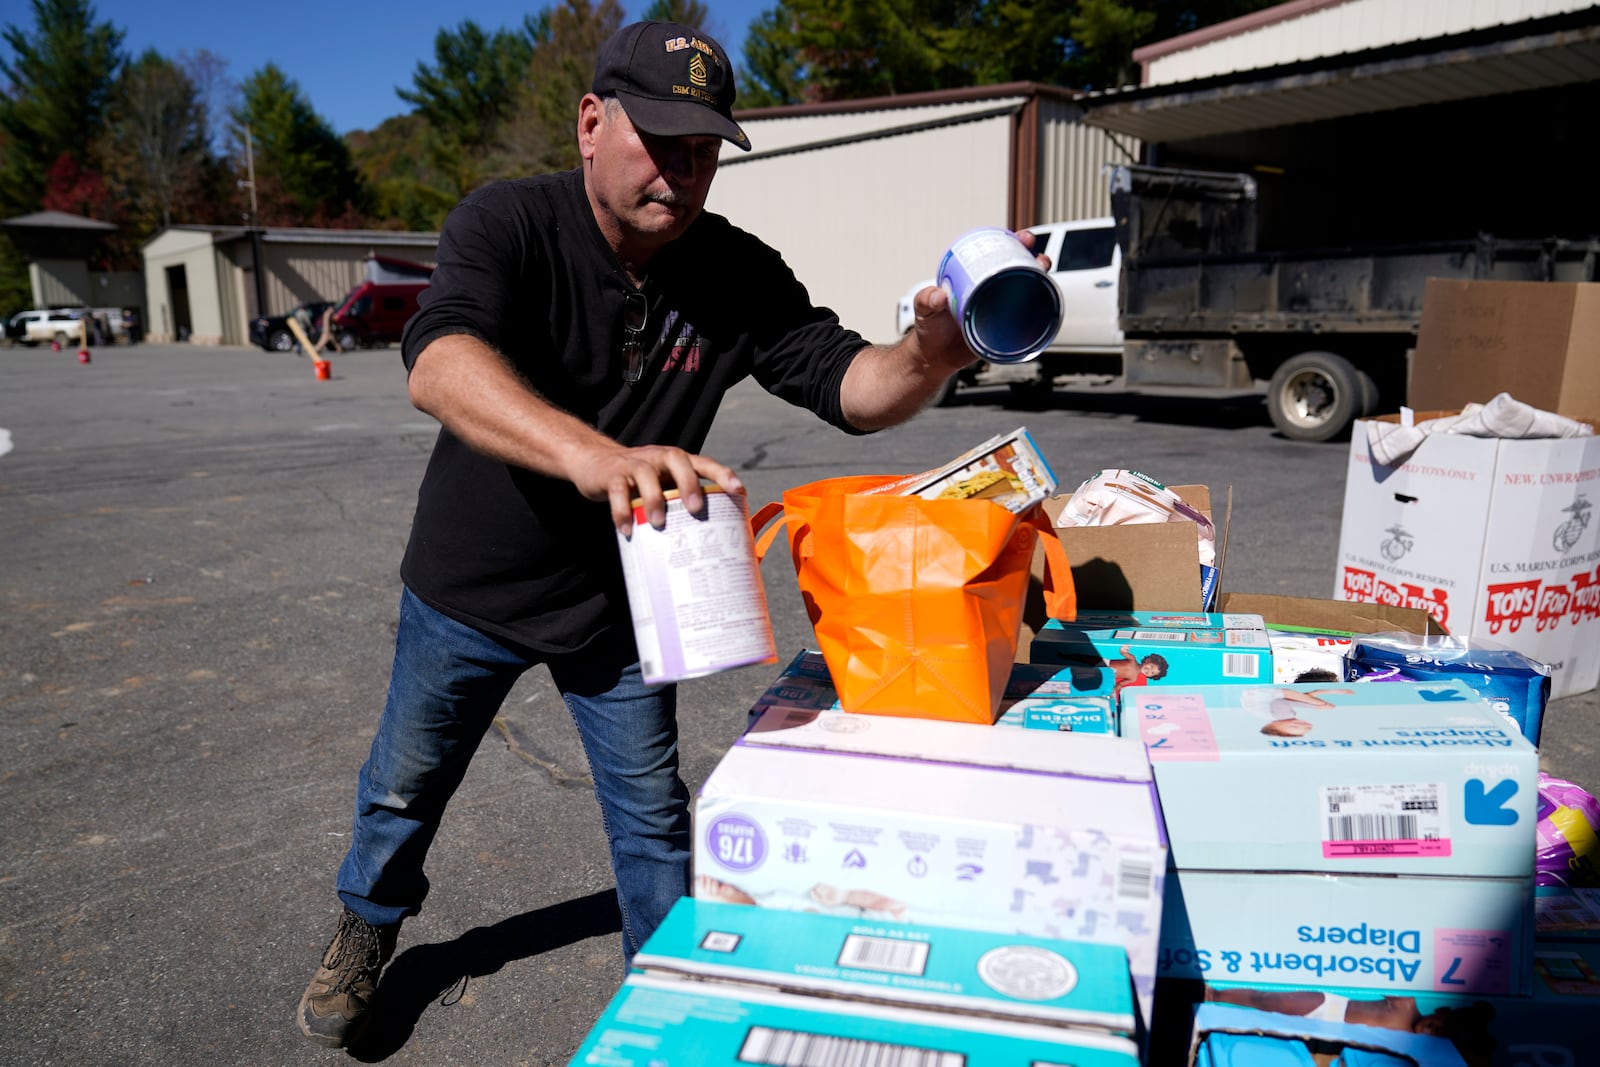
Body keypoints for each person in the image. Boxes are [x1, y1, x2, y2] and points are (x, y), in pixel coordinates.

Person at [295, 20, 1025, 1049]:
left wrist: (929, 351)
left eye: (703, 152)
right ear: (593, 123)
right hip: (468, 590)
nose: (682, 174)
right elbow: (440, 361)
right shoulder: (508, 223)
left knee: (652, 819)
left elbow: (850, 387)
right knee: (404, 787)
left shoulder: (734, 270)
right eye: (660, 142)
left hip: (628, 607)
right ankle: (367, 927)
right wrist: (596, 457)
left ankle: (673, 990)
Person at [1239, 685, 1354, 737]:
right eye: (1307, 727)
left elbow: (1287, 695)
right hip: (1258, 694)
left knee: (1317, 702)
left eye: (1294, 727)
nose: (1302, 725)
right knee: (1315, 702)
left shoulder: (1281, 716)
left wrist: (1317, 704)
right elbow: (1289, 700)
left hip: (1260, 694)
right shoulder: (1279, 715)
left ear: (1274, 725)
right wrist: (1317, 700)